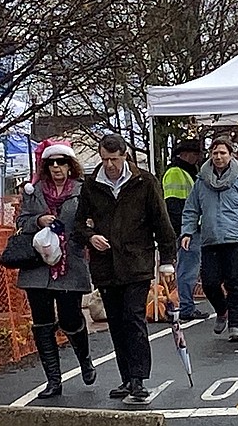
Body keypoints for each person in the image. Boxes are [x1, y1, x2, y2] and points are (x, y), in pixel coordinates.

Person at [74, 134, 176, 401]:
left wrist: (167, 261)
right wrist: (90, 237)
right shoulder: (91, 185)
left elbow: (161, 223)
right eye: (105, 159)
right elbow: (78, 225)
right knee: (117, 324)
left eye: (114, 159)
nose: (109, 165)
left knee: (133, 318)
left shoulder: (144, 182)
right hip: (106, 266)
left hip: (137, 262)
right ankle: (126, 378)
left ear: (124, 155)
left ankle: (139, 378)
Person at [17, 140, 95, 398]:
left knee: (70, 318)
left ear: (70, 165)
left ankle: (84, 360)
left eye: (62, 162)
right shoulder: (34, 190)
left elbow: (89, 223)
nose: (57, 168)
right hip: (37, 266)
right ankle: (53, 380)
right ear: (46, 167)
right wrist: (38, 220)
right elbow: (22, 220)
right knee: (42, 323)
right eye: (52, 164)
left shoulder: (83, 190)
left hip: (69, 263)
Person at [181, 137, 238, 342]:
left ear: (230, 155)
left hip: (237, 238)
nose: (219, 157)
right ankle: (222, 310)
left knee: (234, 282)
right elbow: (191, 209)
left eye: (222, 153)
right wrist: (187, 232)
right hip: (211, 239)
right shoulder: (201, 182)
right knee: (210, 283)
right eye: (215, 153)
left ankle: (235, 325)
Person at [162, 139, 207, 321]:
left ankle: (187, 305)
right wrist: (184, 230)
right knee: (188, 268)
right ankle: (186, 307)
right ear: (184, 154)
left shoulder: (187, 172)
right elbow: (173, 204)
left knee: (189, 268)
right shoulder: (175, 173)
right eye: (194, 154)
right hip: (187, 229)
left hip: (189, 227)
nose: (197, 157)